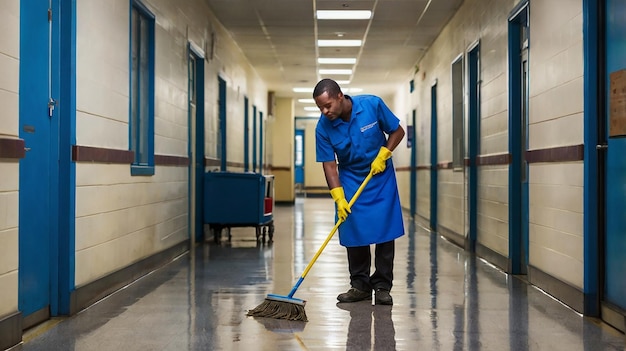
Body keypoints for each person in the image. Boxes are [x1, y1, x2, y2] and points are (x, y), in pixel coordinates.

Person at [313, 78, 405, 305]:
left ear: (340, 96)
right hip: (351, 177)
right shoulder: (322, 128)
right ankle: (359, 285)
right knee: (353, 228)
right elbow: (329, 164)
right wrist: (338, 196)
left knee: (385, 229)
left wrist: (384, 153)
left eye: (328, 106)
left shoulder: (372, 105)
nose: (325, 112)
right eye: (320, 108)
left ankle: (383, 286)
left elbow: (398, 131)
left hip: (380, 175)